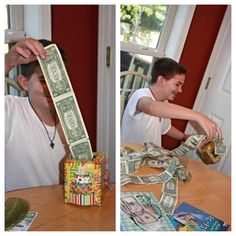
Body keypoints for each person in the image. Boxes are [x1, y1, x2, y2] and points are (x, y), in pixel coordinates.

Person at [5, 38, 70, 191]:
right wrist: (7, 63)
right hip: (20, 209)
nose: (54, 89)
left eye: (59, 79)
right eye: (43, 80)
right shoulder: (10, 110)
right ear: (24, 83)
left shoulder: (71, 119)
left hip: (59, 209)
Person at [121, 57, 222, 146]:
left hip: (151, 160)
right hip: (131, 158)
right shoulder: (140, 95)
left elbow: (166, 128)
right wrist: (198, 116)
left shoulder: (164, 104)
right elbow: (150, 107)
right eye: (177, 84)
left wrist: (186, 138)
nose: (180, 90)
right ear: (161, 80)